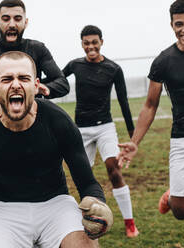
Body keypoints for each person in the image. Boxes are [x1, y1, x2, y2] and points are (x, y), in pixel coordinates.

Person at [0, 51, 113, 248]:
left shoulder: (58, 121)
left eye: (23, 78)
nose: (16, 84)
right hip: (3, 211)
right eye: (7, 79)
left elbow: (87, 183)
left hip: (57, 206)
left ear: (36, 85)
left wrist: (98, 203)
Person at [117, 0, 184, 246]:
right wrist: (135, 142)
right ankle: (172, 197)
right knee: (182, 211)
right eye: (179, 24)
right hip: (182, 139)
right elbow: (150, 105)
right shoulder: (163, 62)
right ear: (172, 25)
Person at [62, 25, 138, 238]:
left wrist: (132, 134)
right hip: (81, 130)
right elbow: (57, 82)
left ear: (101, 42)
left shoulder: (113, 69)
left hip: (105, 127)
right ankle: (85, 218)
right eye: (87, 43)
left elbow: (123, 101)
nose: (91, 47)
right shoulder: (75, 65)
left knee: (114, 170)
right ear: (82, 44)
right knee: (81, 176)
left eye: (94, 42)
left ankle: (130, 222)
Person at [0, 0, 69, 112]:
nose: (11, 24)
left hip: (32, 121)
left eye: (17, 19)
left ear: (25, 22)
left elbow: (62, 84)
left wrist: (41, 89)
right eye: (6, 19)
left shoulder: (38, 49)